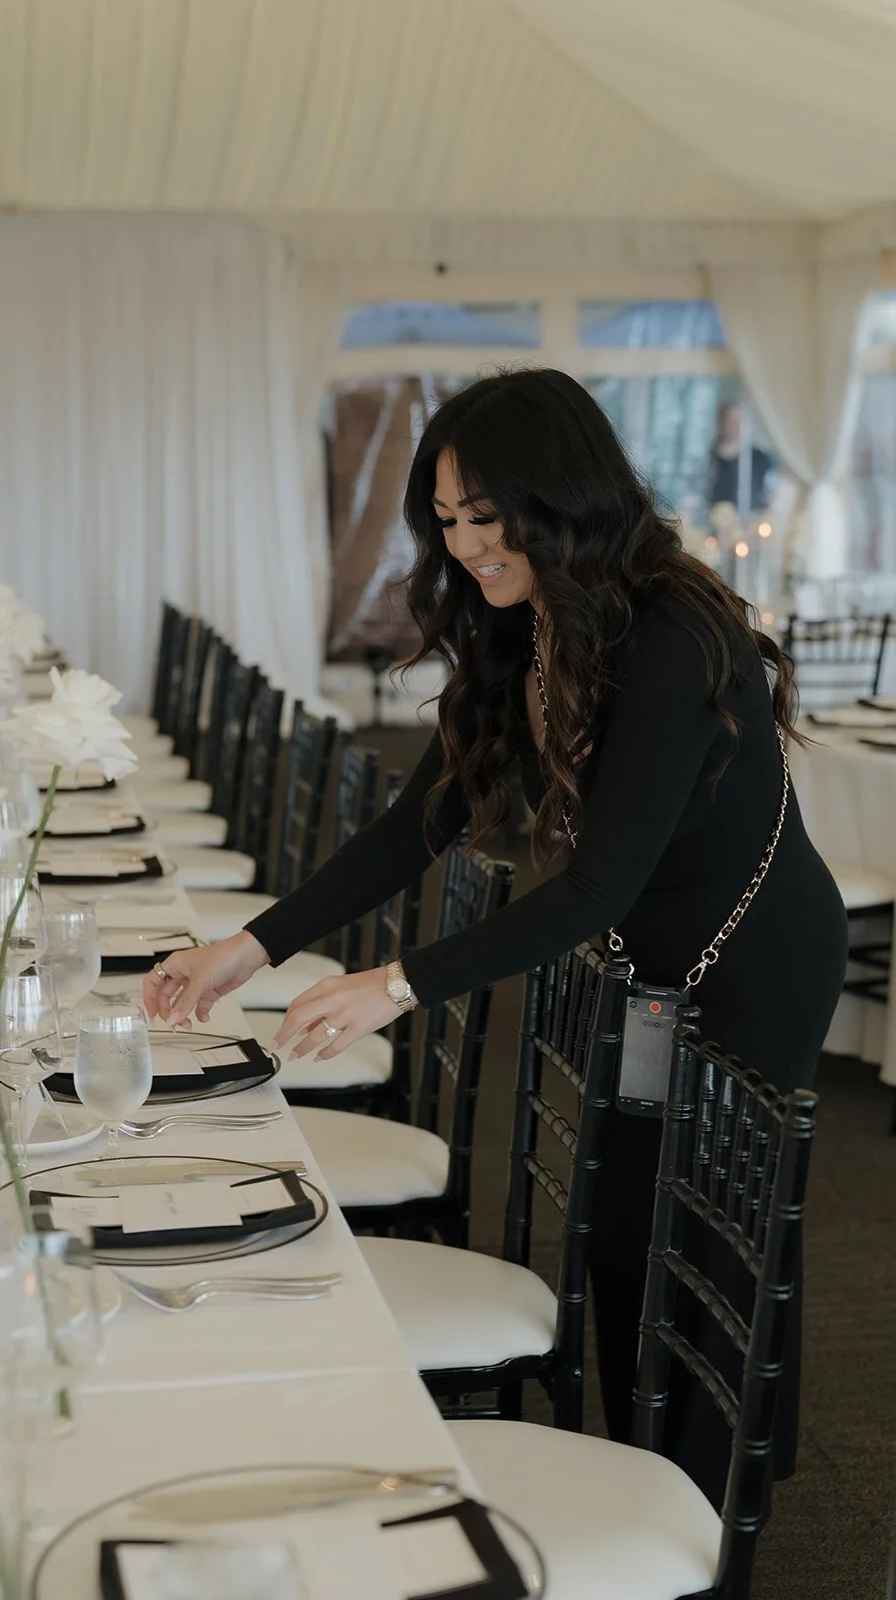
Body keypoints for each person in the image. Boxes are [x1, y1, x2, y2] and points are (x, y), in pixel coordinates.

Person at [143, 369, 847, 1508]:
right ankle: (647, 1467)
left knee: (714, 1230)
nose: (464, 543)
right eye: (447, 519)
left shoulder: (674, 630)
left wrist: (396, 982)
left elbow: (596, 888)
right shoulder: (529, 626)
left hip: (753, 950)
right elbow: (418, 822)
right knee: (623, 1218)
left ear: (559, 496)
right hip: (651, 953)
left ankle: (721, 1502)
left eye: (485, 514)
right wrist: (250, 948)